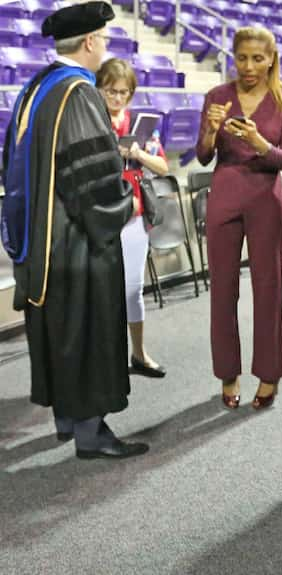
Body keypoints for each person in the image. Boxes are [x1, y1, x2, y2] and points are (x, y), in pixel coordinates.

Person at [0, 2, 148, 459]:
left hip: (41, 239)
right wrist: (121, 202)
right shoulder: (79, 93)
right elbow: (92, 180)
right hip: (76, 239)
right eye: (103, 38)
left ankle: (68, 419)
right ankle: (90, 434)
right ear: (89, 42)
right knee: (86, 328)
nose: (104, 45)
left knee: (60, 328)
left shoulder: (37, 88)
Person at [196, 26, 282, 410]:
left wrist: (260, 145)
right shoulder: (217, 97)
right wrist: (209, 129)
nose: (249, 66)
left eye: (258, 58)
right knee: (223, 291)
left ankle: (269, 373)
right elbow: (204, 155)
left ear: (272, 58)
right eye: (242, 58)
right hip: (224, 198)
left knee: (268, 290)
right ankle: (228, 372)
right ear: (233, 58)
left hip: (266, 201)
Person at [96, 57, 168, 379]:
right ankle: (104, 361)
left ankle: (138, 354)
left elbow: (163, 168)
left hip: (134, 215)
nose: (117, 98)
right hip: (100, 216)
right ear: (100, 90)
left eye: (124, 92)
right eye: (111, 91)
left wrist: (137, 154)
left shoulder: (140, 126)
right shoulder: (92, 123)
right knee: (101, 292)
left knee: (132, 289)